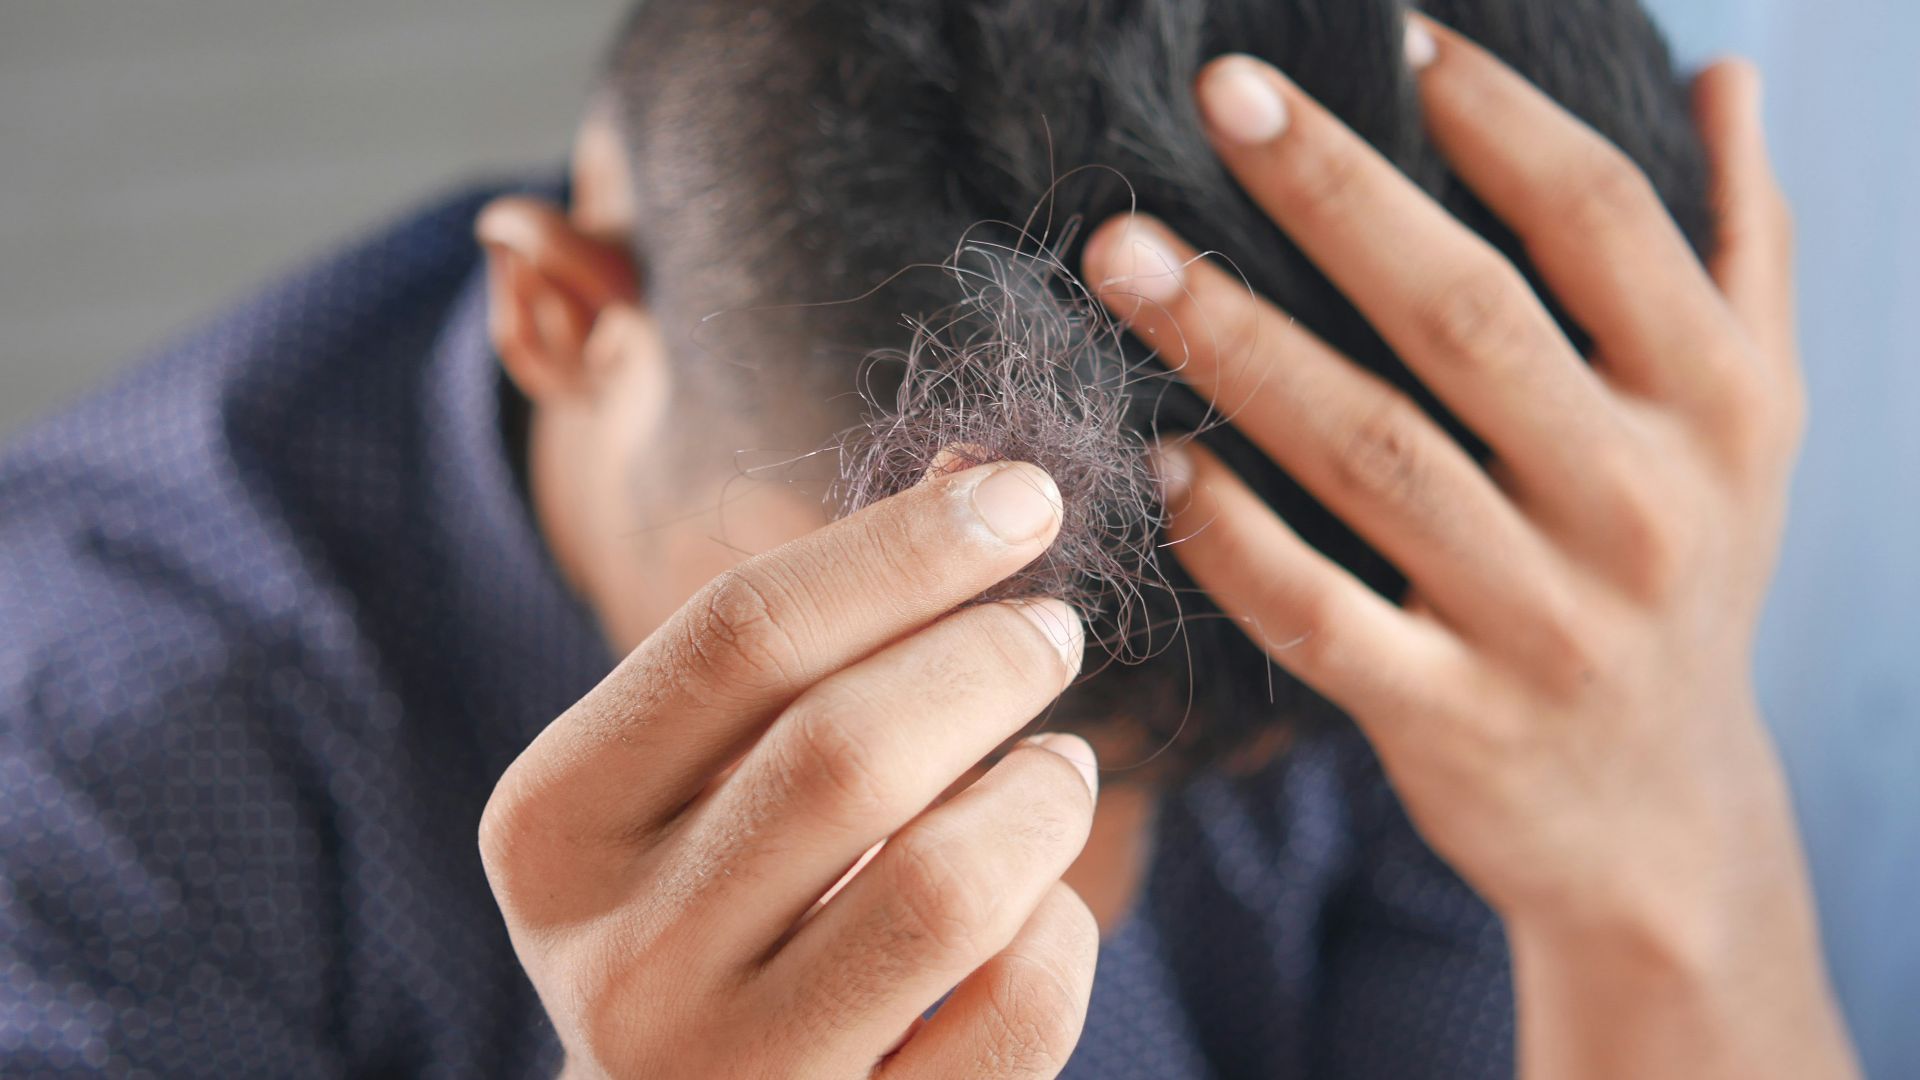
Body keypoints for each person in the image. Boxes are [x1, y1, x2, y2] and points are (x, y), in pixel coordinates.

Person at [0, 2, 1860, 1077]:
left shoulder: (1397, 566)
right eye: (917, 666)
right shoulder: (73, 794)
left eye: (1201, 771)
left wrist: (1670, 870)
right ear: (563, 312)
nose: (1058, 923)